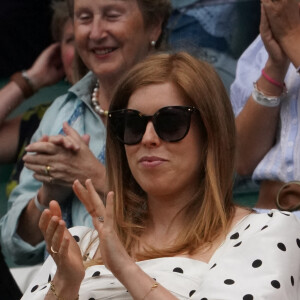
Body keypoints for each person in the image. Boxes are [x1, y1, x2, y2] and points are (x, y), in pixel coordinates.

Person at [22, 52, 300, 300]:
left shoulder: (264, 232)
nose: (148, 138)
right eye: (133, 124)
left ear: (210, 135)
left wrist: (126, 269)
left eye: (170, 122)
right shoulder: (79, 243)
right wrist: (66, 284)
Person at [0, 0, 171, 266]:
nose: (96, 32)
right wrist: (49, 195)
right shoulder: (61, 112)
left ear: (154, 25)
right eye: (84, 17)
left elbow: (191, 221)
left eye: (112, 16)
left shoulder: (178, 107)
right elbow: (17, 246)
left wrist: (92, 177)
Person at [1, 0, 78, 197]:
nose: (86, 46)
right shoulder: (45, 117)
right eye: (72, 40)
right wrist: (30, 81)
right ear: (58, 53)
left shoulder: (138, 121)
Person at [230, 0, 300, 212]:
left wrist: (292, 37)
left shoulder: (289, 33)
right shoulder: (261, 47)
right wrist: (275, 67)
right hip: (268, 217)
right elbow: (242, 160)